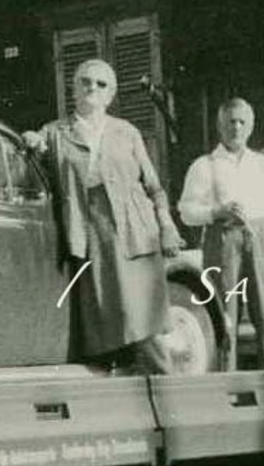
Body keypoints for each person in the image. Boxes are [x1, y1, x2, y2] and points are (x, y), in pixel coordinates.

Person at [25, 58, 183, 373]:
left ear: (110, 95)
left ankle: (170, 397)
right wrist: (33, 144)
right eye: (85, 81)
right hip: (90, 235)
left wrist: (166, 225)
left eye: (101, 84)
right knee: (108, 329)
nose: (92, 88)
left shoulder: (127, 132)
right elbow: (35, 172)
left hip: (136, 234)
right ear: (73, 89)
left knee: (146, 328)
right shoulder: (55, 133)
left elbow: (153, 186)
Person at [178, 98, 264, 372]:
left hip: (260, 241)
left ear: (250, 126)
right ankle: (228, 386)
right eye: (230, 122)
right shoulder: (205, 165)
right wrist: (216, 212)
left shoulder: (261, 164)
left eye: (241, 122)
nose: (236, 128)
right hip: (223, 242)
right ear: (220, 126)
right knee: (225, 318)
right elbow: (186, 211)